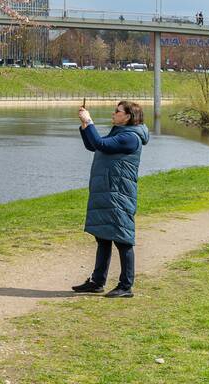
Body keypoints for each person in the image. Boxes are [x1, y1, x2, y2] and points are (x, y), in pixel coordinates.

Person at [71, 100, 149, 298]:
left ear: (128, 117)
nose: (114, 113)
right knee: (103, 237)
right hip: (108, 192)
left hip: (119, 194)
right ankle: (97, 282)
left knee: (123, 240)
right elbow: (94, 146)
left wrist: (89, 121)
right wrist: (84, 126)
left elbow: (100, 143)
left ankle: (126, 286)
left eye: (117, 111)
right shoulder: (119, 133)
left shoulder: (131, 138)